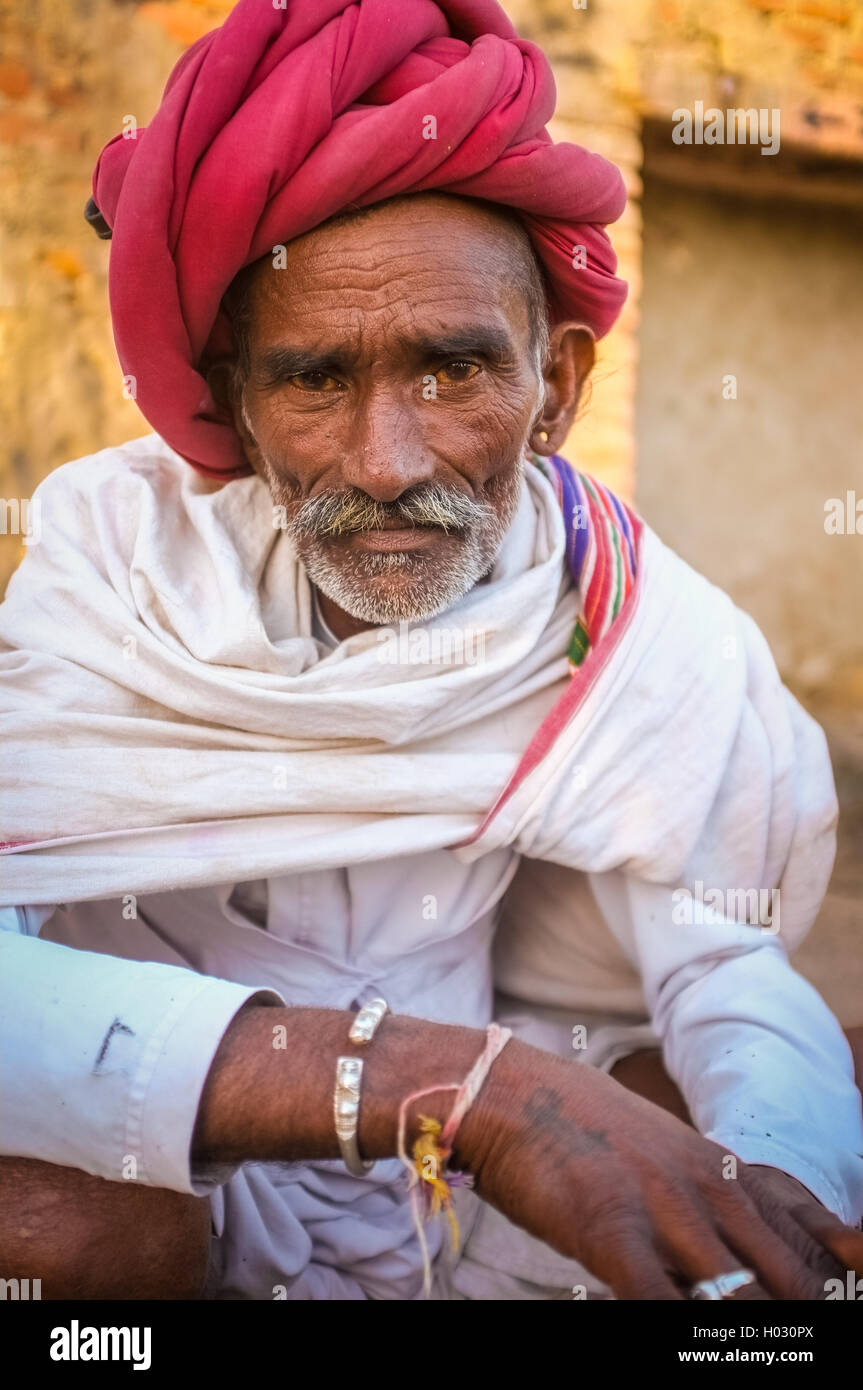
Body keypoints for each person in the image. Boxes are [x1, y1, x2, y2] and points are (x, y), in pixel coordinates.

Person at [1, 0, 861, 1302]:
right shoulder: (110, 570)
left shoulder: (627, 618)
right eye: (313, 379)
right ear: (234, 397)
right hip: (183, 1195)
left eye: (453, 372)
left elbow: (720, 955)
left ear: (558, 388)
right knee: (91, 1241)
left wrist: (775, 1188)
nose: (385, 463)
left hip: (474, 1222)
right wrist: (441, 1085)